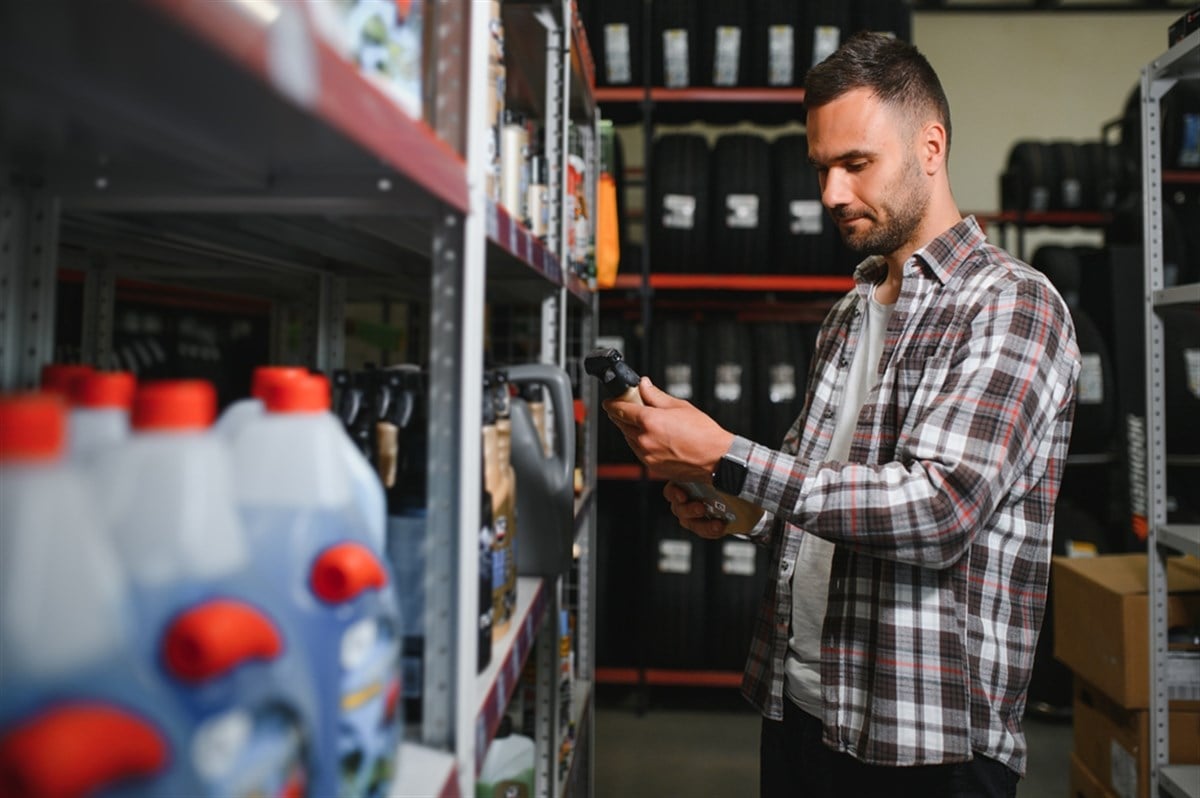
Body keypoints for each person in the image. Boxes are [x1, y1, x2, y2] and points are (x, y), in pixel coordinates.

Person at [603, 31, 1081, 798]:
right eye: (821, 168)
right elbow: (809, 495)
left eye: (856, 164)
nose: (830, 193)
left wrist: (728, 453)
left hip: (927, 745)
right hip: (800, 710)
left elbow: (938, 509)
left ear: (931, 146)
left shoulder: (1011, 305)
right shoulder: (849, 314)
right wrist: (727, 502)